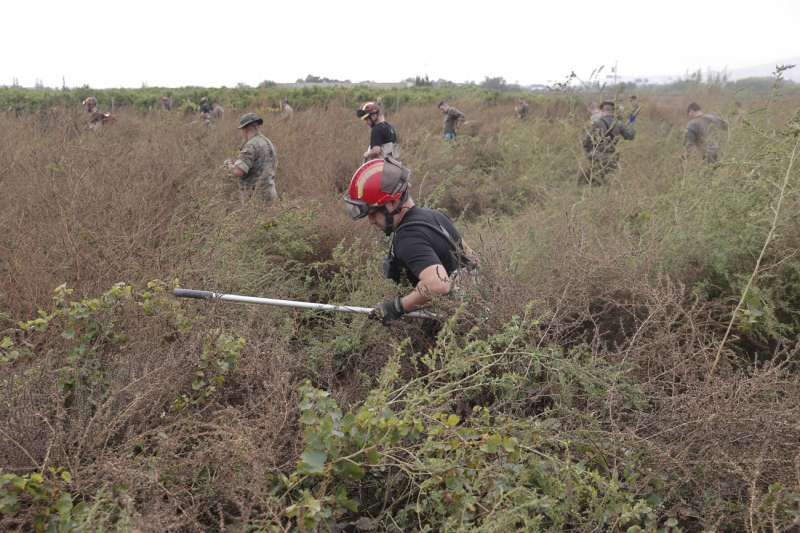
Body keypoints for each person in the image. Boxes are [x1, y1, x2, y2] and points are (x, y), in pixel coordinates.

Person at [343, 158, 476, 324]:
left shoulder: (407, 238)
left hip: (453, 329)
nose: (370, 221)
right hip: (471, 313)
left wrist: (397, 307)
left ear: (392, 203)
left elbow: (439, 285)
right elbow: (473, 259)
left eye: (372, 213)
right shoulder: (435, 215)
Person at [223, 113, 278, 203]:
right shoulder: (268, 142)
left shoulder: (251, 145)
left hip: (255, 198)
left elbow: (238, 172)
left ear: (245, 129)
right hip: (271, 193)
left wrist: (229, 165)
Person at [579, 100, 636, 185]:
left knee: (585, 179)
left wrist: (588, 153)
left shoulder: (596, 123)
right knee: (605, 177)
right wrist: (631, 123)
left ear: (601, 110)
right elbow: (630, 136)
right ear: (613, 111)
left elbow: (585, 142)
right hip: (612, 157)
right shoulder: (619, 124)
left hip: (596, 155)